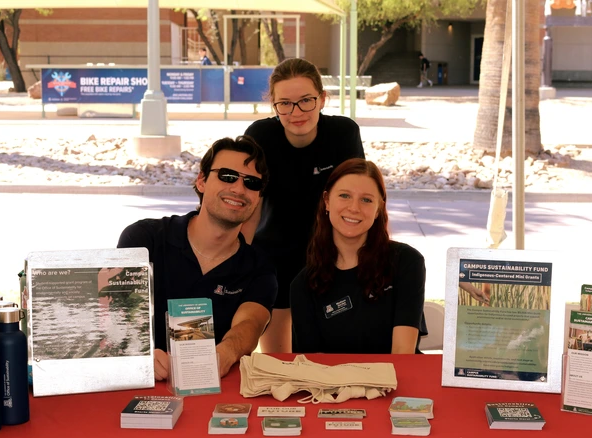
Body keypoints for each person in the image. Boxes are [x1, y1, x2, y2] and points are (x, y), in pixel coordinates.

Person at [117, 136, 277, 380]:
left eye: (252, 183)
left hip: (208, 386)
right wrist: (140, 354)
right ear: (201, 181)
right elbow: (116, 316)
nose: (238, 189)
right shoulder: (144, 239)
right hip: (137, 383)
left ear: (258, 197)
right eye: (227, 176)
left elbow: (251, 324)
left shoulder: (258, 266)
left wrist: (225, 353)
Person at [244, 58, 364, 353]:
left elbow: (360, 198)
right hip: (274, 259)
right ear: (272, 104)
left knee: (329, 359)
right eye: (284, 103)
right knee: (277, 362)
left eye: (306, 101)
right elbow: (249, 204)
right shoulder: (260, 136)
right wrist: (240, 259)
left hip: (332, 256)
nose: (296, 112)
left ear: (322, 99)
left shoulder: (343, 133)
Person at [290, 158, 427, 354]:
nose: (354, 208)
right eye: (344, 196)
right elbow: (313, 366)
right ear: (327, 201)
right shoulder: (303, 285)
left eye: (366, 200)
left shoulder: (406, 262)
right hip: (334, 384)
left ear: (379, 208)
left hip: (394, 381)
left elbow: (403, 355)